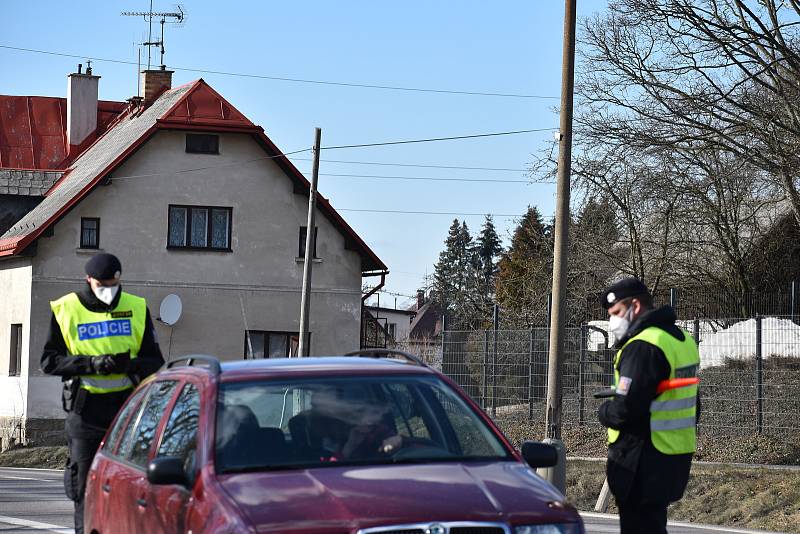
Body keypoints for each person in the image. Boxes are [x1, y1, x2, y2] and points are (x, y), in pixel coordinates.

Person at [41, 253, 164, 534]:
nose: (108, 289)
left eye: (113, 283)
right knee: (83, 487)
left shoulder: (136, 307)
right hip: (85, 413)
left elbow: (155, 362)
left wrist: (129, 364)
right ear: (89, 280)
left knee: (131, 486)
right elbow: (49, 361)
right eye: (102, 283)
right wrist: (92, 364)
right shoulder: (66, 308)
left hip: (127, 414)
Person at [597, 278, 700, 534]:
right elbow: (693, 404)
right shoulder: (681, 339)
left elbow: (626, 409)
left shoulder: (643, 345)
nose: (614, 322)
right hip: (674, 456)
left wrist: (604, 411)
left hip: (640, 461)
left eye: (617, 313)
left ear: (635, 305)